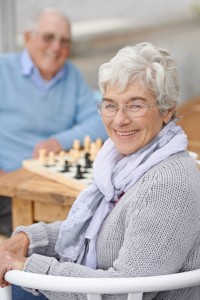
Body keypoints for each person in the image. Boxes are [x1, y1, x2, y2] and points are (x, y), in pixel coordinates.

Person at [0, 42, 200, 300]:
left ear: (167, 110)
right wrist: (28, 239)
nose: (119, 120)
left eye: (135, 105)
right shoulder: (123, 162)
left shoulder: (167, 184)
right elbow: (92, 229)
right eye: (110, 105)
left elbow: (125, 292)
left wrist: (30, 267)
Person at [0, 8, 107, 237]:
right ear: (28, 38)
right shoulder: (3, 70)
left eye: (64, 41)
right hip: (9, 187)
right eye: (48, 37)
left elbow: (100, 123)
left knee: (97, 221)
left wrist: (59, 141)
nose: (56, 47)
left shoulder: (72, 76)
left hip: (53, 182)